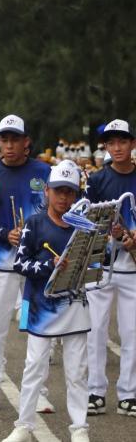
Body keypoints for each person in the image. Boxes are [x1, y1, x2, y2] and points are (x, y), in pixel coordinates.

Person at [2, 160, 90, 442]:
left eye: (69, 192)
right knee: (34, 368)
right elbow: (20, 264)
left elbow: (102, 263)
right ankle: (24, 426)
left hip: (75, 305)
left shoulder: (85, 227)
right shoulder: (35, 223)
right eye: (58, 190)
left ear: (76, 195)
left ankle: (79, 428)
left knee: (77, 371)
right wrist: (49, 266)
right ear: (47, 192)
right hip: (40, 306)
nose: (63, 197)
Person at [0, 116, 52, 412]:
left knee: (37, 328)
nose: (9, 145)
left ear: (26, 142)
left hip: (35, 268)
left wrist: (34, 235)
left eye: (14, 140)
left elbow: (57, 213)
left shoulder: (44, 172)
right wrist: (4, 233)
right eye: (4, 140)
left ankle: (40, 391)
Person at [85, 119, 136, 417]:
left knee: (131, 332)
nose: (116, 148)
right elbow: (85, 219)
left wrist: (131, 238)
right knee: (96, 330)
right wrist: (107, 232)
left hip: (131, 265)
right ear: (106, 146)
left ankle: (128, 393)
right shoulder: (96, 179)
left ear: (131, 144)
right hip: (102, 265)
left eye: (122, 142)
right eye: (111, 143)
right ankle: (95, 391)